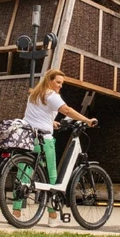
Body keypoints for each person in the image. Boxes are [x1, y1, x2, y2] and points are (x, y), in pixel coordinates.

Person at [19, 68, 96, 222]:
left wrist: (51, 122)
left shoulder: (34, 94)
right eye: (58, 82)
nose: (60, 86)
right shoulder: (52, 95)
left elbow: (36, 115)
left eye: (62, 83)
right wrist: (87, 120)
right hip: (44, 140)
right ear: (49, 81)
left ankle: (15, 212)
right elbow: (67, 110)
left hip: (27, 137)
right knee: (51, 176)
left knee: (24, 174)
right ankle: (52, 215)